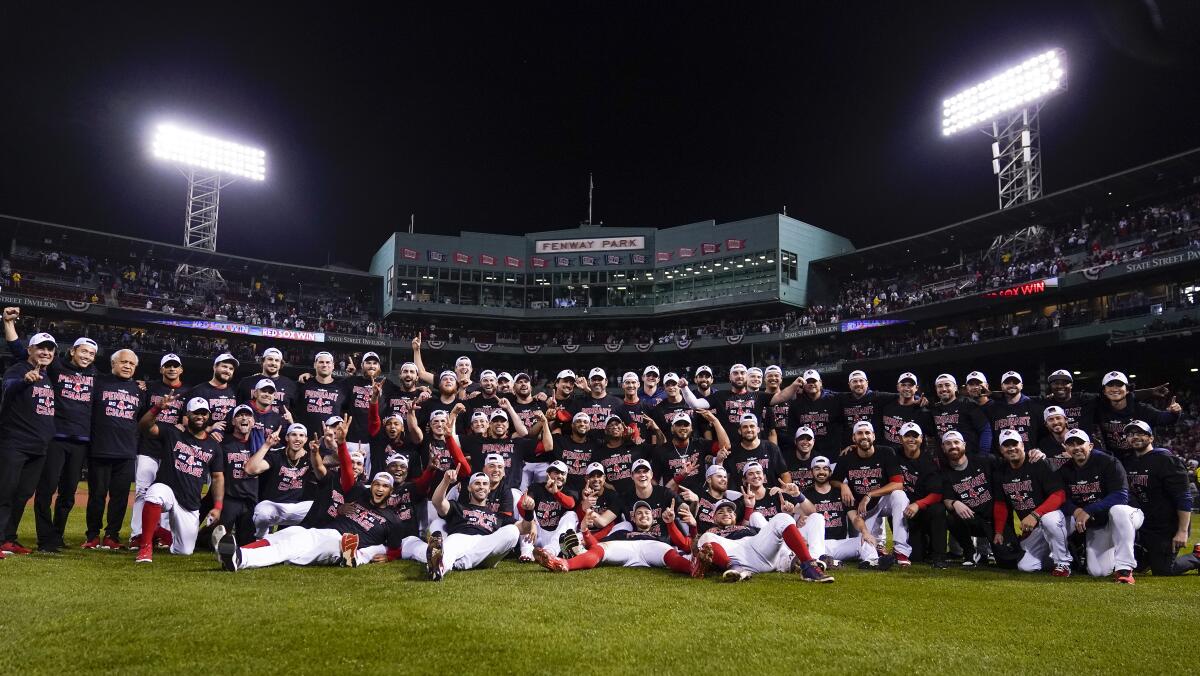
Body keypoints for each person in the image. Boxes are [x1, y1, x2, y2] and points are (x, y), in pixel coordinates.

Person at [134, 396, 225, 562]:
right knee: (155, 494)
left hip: (189, 502)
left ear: (209, 416)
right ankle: (145, 547)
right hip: (167, 489)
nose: (200, 417)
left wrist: (218, 506)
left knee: (184, 551)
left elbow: (218, 478)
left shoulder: (214, 447)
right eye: (196, 413)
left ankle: (159, 531)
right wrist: (157, 408)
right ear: (188, 415)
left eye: (204, 413)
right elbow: (144, 427)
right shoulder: (173, 433)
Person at [1057, 428, 1143, 582]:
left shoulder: (1108, 462)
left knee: (1118, 511)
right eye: (1071, 444)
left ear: (1090, 445)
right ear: (1066, 448)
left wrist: (1089, 510)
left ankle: (1125, 568)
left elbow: (1121, 496)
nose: (1076, 447)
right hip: (1099, 523)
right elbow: (1063, 500)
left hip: (1128, 514)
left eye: (1080, 443)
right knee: (1098, 571)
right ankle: (1125, 550)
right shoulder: (1065, 470)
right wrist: (1076, 511)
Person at [82, 349, 147, 550]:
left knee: (119, 497)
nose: (127, 366)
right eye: (124, 362)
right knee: (97, 495)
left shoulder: (140, 390)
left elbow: (142, 418)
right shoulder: (98, 382)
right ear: (113, 364)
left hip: (126, 452)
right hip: (100, 449)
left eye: (131, 364)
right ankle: (92, 535)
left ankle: (112, 536)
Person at [0, 329, 57, 555]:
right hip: (15, 443)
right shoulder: (19, 369)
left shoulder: (48, 375)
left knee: (22, 495)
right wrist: (25, 380)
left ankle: (8, 539)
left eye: (50, 349)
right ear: (29, 350)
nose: (45, 352)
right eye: (40, 348)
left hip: (39, 447)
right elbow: (8, 386)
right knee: (4, 493)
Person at [533, 500, 693, 574]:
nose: (643, 515)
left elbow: (684, 544)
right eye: (639, 513)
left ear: (653, 518)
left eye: (647, 513)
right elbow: (596, 545)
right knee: (601, 549)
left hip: (653, 546)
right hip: (627, 547)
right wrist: (586, 531)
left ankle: (693, 569)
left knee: (671, 554)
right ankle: (564, 563)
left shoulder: (663, 531)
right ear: (634, 518)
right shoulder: (623, 532)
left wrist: (671, 523)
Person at [830, 421, 912, 566]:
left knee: (899, 496)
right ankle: (878, 551)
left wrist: (869, 495)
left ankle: (901, 551)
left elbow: (898, 483)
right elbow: (833, 481)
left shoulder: (886, 452)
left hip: (882, 501)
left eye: (867, 433)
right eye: (860, 433)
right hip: (863, 509)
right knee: (865, 541)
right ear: (854, 438)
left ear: (873, 436)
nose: (864, 436)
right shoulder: (847, 457)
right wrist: (843, 485)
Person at [691, 500, 833, 583]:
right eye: (721, 512)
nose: (726, 513)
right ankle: (736, 570)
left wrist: (797, 545)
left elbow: (775, 537)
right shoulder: (712, 532)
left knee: (782, 518)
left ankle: (808, 565)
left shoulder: (746, 527)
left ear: (735, 516)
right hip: (737, 556)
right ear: (714, 519)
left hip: (757, 547)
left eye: (730, 511)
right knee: (704, 538)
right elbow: (695, 550)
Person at [992, 429, 1071, 576]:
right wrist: (998, 531)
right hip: (1034, 528)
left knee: (1049, 520)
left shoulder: (1038, 463)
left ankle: (1063, 563)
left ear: (1022, 445)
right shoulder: (1001, 472)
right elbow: (1001, 504)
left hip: (1058, 519)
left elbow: (1059, 495)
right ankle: (1059, 558)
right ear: (1001, 449)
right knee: (1026, 566)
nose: (1011, 448)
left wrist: (1035, 515)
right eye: (1006, 445)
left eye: (1014, 444)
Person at [130, 353, 188, 549]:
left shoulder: (188, 392)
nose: (172, 369)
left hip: (172, 450)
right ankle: (137, 534)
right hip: (148, 447)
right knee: (142, 491)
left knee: (166, 494)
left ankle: (163, 535)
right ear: (161, 369)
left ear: (181, 370)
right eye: (168, 366)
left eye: (175, 366)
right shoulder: (150, 388)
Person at [1121, 420, 1193, 576]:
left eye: (1140, 433)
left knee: (1164, 570)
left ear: (1151, 438)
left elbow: (1184, 497)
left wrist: (1182, 531)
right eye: (1131, 434)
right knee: (1136, 566)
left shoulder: (1166, 459)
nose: (1135, 437)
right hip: (1145, 525)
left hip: (1167, 527)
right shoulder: (1129, 462)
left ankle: (1197, 556)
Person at [424, 468, 520, 581]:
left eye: (485, 484)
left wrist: (529, 515)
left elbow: (524, 527)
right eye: (477, 483)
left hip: (486, 544)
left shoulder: (497, 516)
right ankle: (438, 569)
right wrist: (445, 481)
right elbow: (437, 502)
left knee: (513, 531)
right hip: (461, 538)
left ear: (489, 489)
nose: (481, 487)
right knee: (451, 545)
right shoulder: (458, 507)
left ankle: (459, 563)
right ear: (469, 488)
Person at [804, 456, 889, 569]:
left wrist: (865, 532)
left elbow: (855, 518)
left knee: (865, 540)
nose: (821, 472)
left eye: (825, 469)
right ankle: (827, 562)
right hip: (817, 545)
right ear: (811, 472)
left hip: (840, 543)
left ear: (830, 472)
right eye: (817, 469)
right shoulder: (805, 495)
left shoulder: (841, 493)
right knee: (807, 550)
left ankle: (872, 562)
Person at [941, 430, 999, 567]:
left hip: (996, 521)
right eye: (948, 443)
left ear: (964, 445)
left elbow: (1011, 464)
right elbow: (946, 499)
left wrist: (1036, 454)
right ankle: (969, 552)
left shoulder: (985, 461)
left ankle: (995, 550)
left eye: (956, 442)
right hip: (972, 519)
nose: (953, 446)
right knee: (951, 518)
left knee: (1007, 560)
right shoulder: (944, 473)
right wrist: (955, 503)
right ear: (943, 448)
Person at [895, 422, 947, 568]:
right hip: (904, 513)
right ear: (900, 439)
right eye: (907, 436)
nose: (911, 439)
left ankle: (939, 556)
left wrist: (918, 504)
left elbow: (937, 494)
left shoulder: (928, 462)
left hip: (923, 510)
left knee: (938, 509)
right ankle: (920, 546)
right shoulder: (893, 454)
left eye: (915, 436)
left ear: (921, 438)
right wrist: (853, 447)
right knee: (917, 557)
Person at [250, 423, 316, 537]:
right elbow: (251, 469)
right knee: (261, 513)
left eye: (301, 435)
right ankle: (261, 537)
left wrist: (334, 445)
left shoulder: (312, 457)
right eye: (293, 435)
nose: (297, 438)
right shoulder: (276, 454)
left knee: (320, 509)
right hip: (274, 506)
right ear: (286, 438)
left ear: (306, 439)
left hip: (297, 508)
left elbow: (334, 460)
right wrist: (266, 445)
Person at [516, 460, 580, 560]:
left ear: (566, 476)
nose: (559, 476)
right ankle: (526, 552)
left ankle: (550, 552)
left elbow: (570, 504)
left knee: (571, 515)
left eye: (562, 473)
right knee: (527, 509)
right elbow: (521, 504)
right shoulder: (536, 487)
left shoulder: (570, 490)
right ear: (548, 474)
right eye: (556, 472)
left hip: (557, 537)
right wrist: (531, 521)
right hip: (537, 534)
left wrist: (556, 493)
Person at [930, 374, 992, 456]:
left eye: (947, 385)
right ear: (936, 389)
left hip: (969, 459)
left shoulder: (968, 405)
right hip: (945, 461)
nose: (944, 389)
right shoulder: (934, 410)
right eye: (940, 386)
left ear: (955, 387)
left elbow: (985, 429)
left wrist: (983, 454)